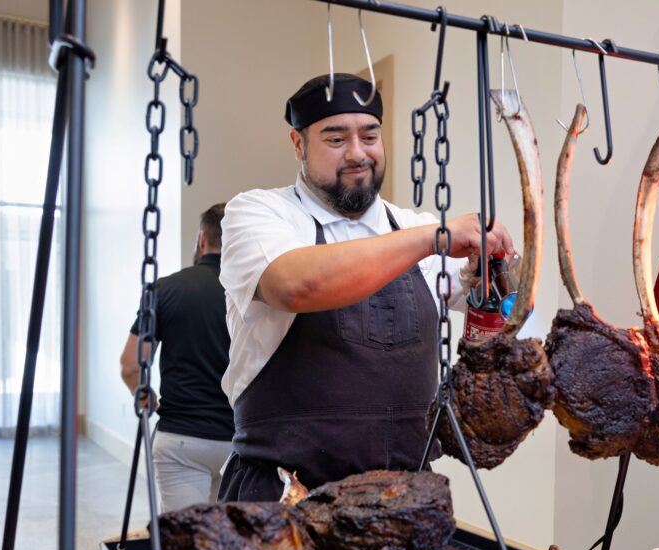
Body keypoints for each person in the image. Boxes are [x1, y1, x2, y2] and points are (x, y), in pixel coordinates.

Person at [217, 73, 514, 504]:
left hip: (403, 500)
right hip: (283, 500)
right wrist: (433, 239)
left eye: (369, 136)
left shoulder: (415, 227)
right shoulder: (260, 213)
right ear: (298, 144)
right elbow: (294, 285)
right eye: (335, 139)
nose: (357, 154)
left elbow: (513, 308)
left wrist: (501, 265)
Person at [119, 203, 235, 512]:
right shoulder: (258, 291)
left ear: (201, 240)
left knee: (186, 547)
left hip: (182, 439)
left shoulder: (165, 290)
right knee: (235, 548)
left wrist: (145, 396)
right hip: (242, 442)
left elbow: (130, 365)